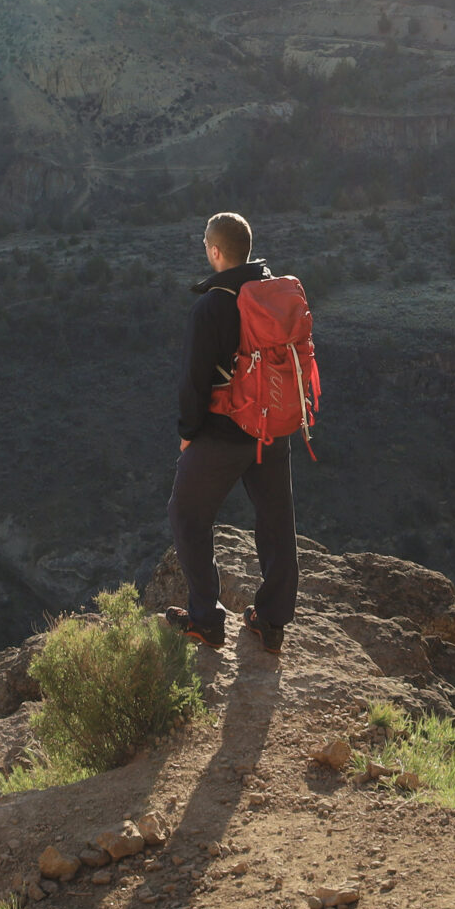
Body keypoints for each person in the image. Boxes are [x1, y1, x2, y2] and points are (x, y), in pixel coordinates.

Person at [162, 211, 297, 654]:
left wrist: (188, 432)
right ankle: (272, 622)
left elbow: (194, 382)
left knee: (187, 515)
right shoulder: (273, 291)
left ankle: (206, 619)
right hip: (272, 429)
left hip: (223, 433)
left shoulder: (212, 305)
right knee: (276, 521)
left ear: (215, 252)